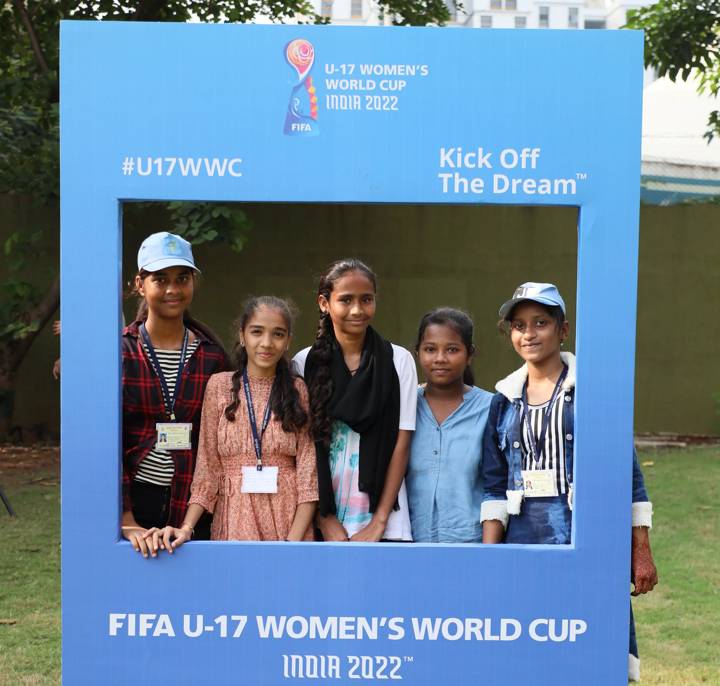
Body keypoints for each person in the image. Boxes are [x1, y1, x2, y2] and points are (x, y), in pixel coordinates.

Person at [480, 282, 658, 682]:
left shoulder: (592, 392)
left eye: (541, 322)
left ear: (563, 330)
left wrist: (640, 549)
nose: (529, 333)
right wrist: (490, 561)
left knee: (591, 640)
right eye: (519, 324)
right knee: (530, 643)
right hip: (523, 539)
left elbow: (626, 471)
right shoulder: (503, 399)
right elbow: (494, 485)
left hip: (586, 535)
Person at [148, 296, 318, 550]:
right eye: (257, 332)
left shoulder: (297, 389)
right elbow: (208, 468)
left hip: (287, 521)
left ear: (288, 341)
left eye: (278, 334)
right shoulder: (218, 386)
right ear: (242, 336)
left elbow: (308, 477)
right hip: (234, 520)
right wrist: (187, 527)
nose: (267, 343)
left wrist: (292, 544)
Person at [293, 258, 417, 542]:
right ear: (324, 303)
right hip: (324, 510)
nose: (358, 310)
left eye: (366, 299)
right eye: (346, 300)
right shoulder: (303, 363)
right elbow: (304, 449)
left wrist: (380, 521)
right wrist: (324, 518)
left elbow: (402, 441)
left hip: (385, 516)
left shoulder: (399, 360)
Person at [121, 231, 228, 558]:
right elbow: (108, 442)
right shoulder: (121, 352)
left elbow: (216, 441)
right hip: (134, 501)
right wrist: (127, 520)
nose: (172, 289)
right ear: (140, 284)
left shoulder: (212, 356)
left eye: (182, 278)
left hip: (191, 503)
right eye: (160, 279)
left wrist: (193, 520)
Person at [406, 308, 493, 543]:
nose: (440, 358)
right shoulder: (405, 407)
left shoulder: (491, 408)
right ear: (417, 353)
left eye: (452, 349)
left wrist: (490, 553)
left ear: (470, 354)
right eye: (430, 349)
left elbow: (498, 485)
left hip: (471, 545)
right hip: (409, 544)